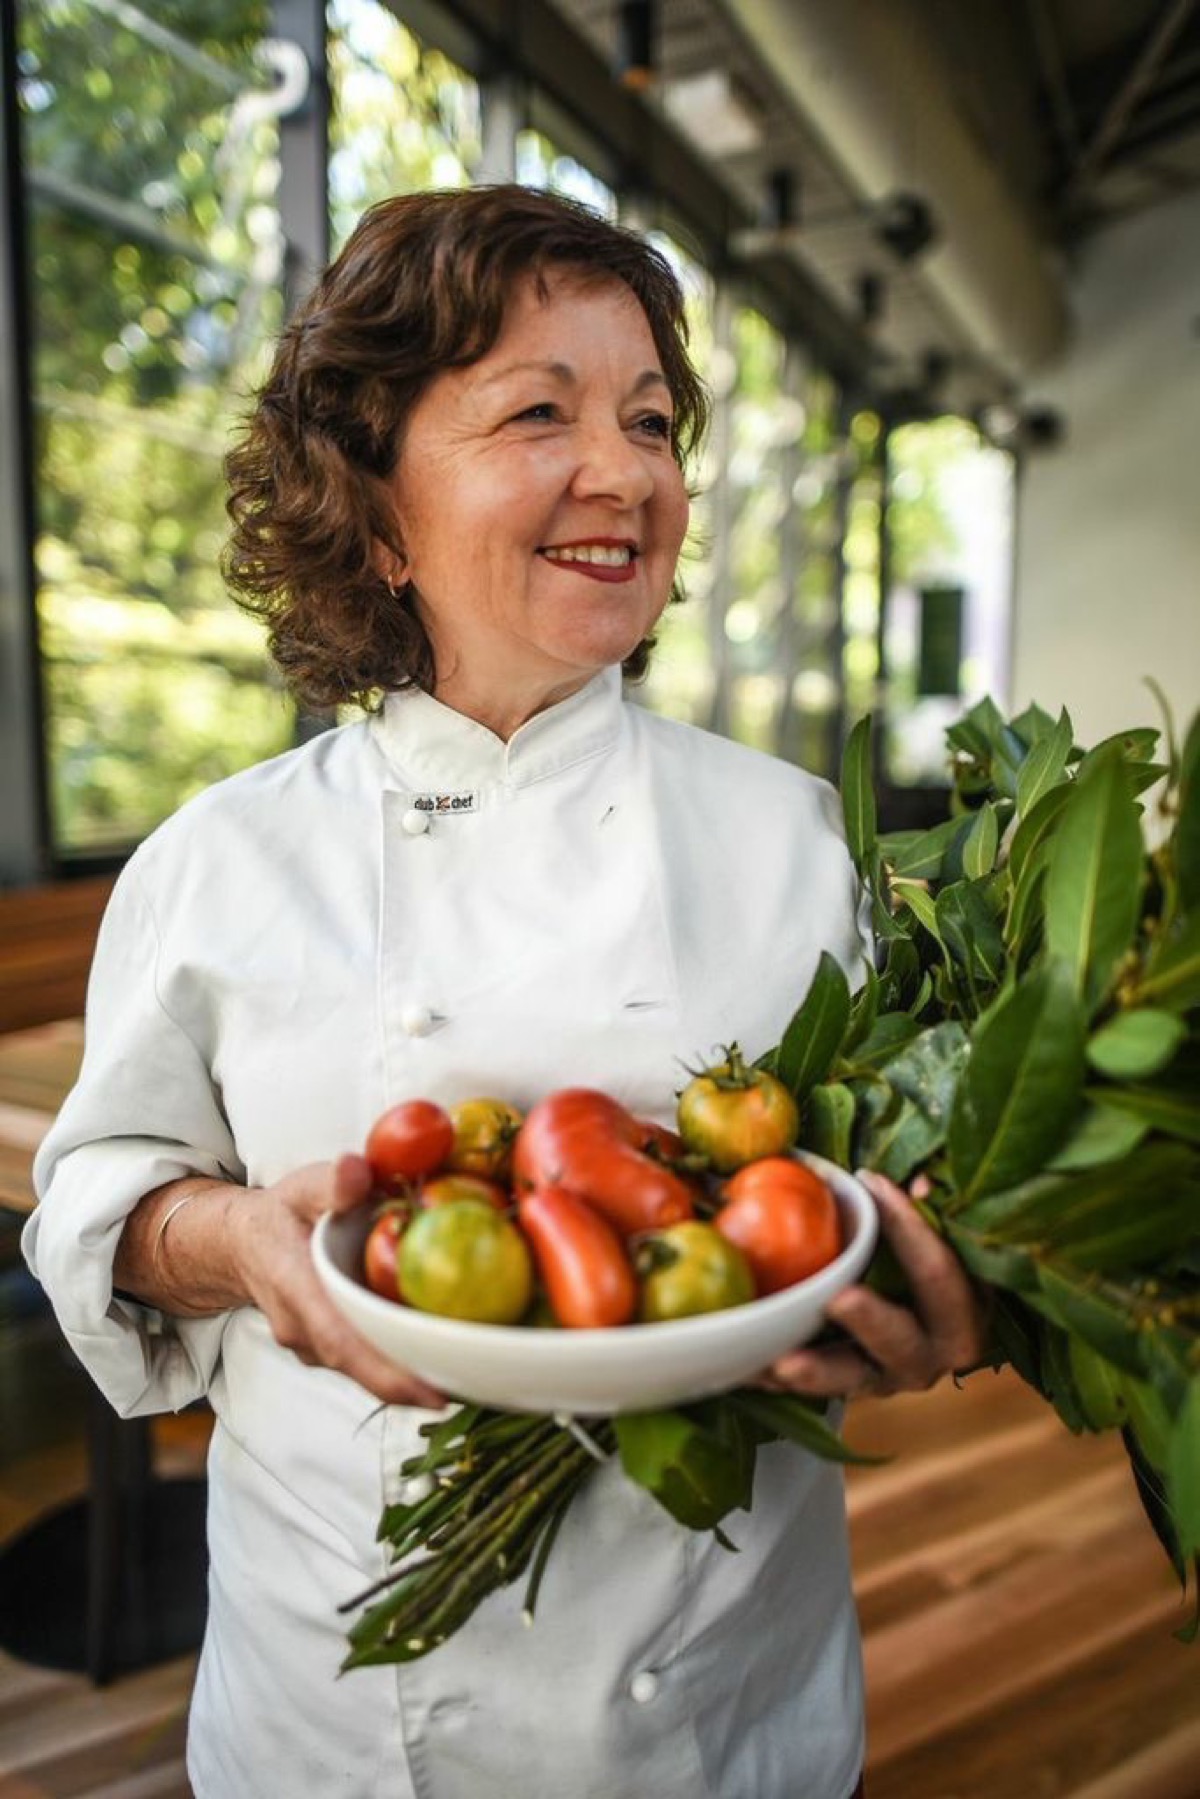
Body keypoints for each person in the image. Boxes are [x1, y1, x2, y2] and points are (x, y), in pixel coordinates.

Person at [26, 184, 985, 1799]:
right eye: (539, 411)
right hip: (342, 1709)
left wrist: (937, 1312)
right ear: (374, 506)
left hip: (720, 1707)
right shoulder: (220, 860)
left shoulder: (795, 838)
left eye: (653, 419)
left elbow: (883, 1196)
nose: (625, 473)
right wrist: (243, 1241)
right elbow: (99, 1201)